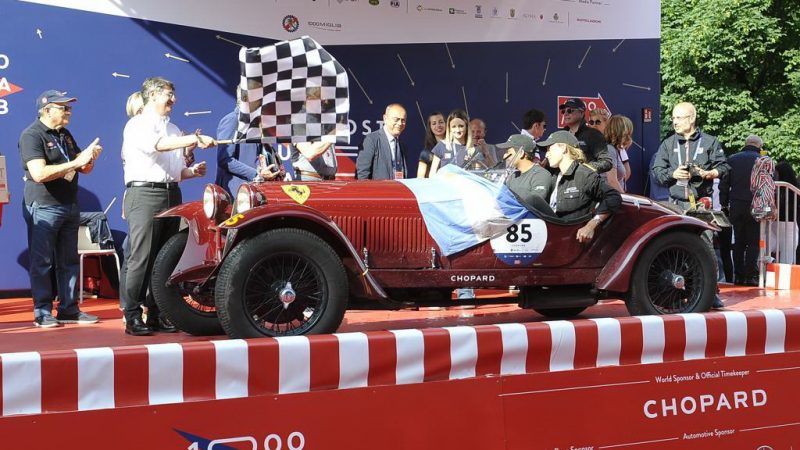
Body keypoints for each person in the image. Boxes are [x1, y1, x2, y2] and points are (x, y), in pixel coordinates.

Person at [121, 76, 216, 336]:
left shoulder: (174, 128)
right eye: (167, 94)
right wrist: (194, 139)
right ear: (152, 96)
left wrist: (191, 171)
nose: (173, 100)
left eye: (173, 94)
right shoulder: (137, 124)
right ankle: (132, 315)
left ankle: (156, 313)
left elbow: (175, 171)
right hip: (145, 194)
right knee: (141, 257)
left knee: (164, 257)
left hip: (171, 193)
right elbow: (158, 146)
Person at [18, 89, 102, 327]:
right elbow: (39, 173)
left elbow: (83, 169)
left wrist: (89, 158)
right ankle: (42, 312)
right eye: (63, 107)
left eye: (69, 107)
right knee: (42, 262)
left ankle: (69, 309)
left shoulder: (64, 134)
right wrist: (76, 162)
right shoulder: (31, 135)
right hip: (44, 206)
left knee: (69, 261)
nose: (68, 112)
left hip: (69, 204)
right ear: (46, 110)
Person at [651, 101, 730, 309]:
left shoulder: (710, 141)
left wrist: (708, 173)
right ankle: (676, 292)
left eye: (679, 118)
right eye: (673, 118)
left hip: (701, 205)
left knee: (705, 247)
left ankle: (710, 292)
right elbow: (657, 172)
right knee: (674, 246)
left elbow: (724, 167)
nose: (674, 122)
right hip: (675, 204)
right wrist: (673, 174)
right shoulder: (668, 144)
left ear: (692, 118)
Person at [538, 131, 621, 243]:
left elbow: (613, 196)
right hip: (550, 236)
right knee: (533, 200)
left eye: (549, 149)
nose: (546, 154)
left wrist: (591, 225)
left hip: (571, 240)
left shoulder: (584, 175)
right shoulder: (553, 176)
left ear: (563, 148)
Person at [215, 90, 282, 196]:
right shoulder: (232, 120)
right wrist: (256, 174)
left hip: (255, 190)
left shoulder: (255, 123)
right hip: (236, 193)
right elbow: (225, 160)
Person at [719, 135, 763, 285]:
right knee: (753, 242)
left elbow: (724, 185)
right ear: (759, 146)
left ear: (746, 144)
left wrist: (724, 204)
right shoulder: (763, 161)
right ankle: (750, 276)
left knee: (739, 241)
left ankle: (738, 276)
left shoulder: (732, 159)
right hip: (756, 205)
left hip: (736, 205)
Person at [496, 134, 552, 205]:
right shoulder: (513, 176)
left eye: (508, 152)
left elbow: (535, 202)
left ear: (521, 153)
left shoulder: (541, 174)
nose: (504, 156)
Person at [559, 98, 611, 173]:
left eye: (570, 110)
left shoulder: (594, 135)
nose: (566, 114)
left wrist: (583, 168)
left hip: (585, 179)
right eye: (563, 111)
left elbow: (606, 162)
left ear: (581, 112)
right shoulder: (560, 135)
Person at [356, 103, 408, 180]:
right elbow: (362, 174)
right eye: (396, 119)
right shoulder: (371, 140)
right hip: (377, 187)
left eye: (403, 120)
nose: (400, 123)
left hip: (397, 187)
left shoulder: (401, 144)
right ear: (385, 118)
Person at [429, 109, 483, 175]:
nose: (457, 130)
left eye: (461, 126)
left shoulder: (474, 149)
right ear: (449, 128)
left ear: (467, 127)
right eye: (454, 127)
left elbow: (478, 174)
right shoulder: (441, 146)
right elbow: (432, 173)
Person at [773, 161, 800, 264]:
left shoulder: (774, 188)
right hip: (789, 224)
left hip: (774, 223)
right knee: (787, 258)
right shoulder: (795, 187)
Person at [602, 115, 633, 192]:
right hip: (609, 196)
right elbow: (612, 181)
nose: (629, 136)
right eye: (628, 133)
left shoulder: (615, 149)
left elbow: (626, 173)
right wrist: (624, 197)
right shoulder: (610, 149)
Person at [417, 111, 445, 178]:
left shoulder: (454, 147)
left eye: (441, 122)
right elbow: (420, 178)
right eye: (434, 123)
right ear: (430, 127)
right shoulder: (426, 152)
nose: (438, 126)